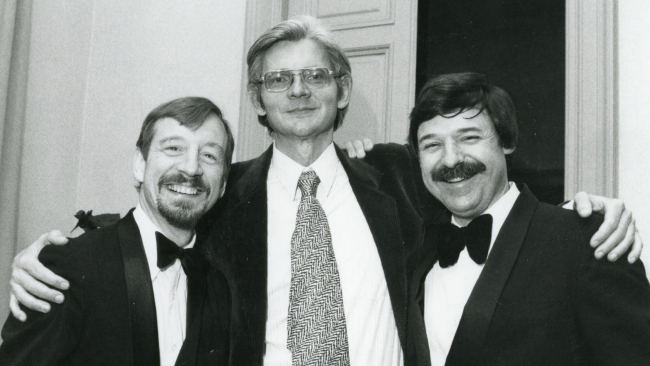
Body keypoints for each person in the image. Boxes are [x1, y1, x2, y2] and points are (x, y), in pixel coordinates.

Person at [6, 16, 641, 366]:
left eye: (316, 75)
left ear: (342, 90)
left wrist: (585, 211)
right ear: (258, 98)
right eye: (279, 80)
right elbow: (165, 216)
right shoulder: (225, 200)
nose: (299, 90)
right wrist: (52, 251)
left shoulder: (400, 176)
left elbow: (480, 195)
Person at [405, 73, 650, 366]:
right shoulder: (417, 254)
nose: (450, 160)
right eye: (432, 145)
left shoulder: (588, 240)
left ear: (506, 141)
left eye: (469, 138)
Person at [0, 97, 234, 366]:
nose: (191, 168)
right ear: (140, 164)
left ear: (224, 183)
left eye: (209, 155)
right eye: (173, 148)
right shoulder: (68, 266)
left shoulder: (221, 284)